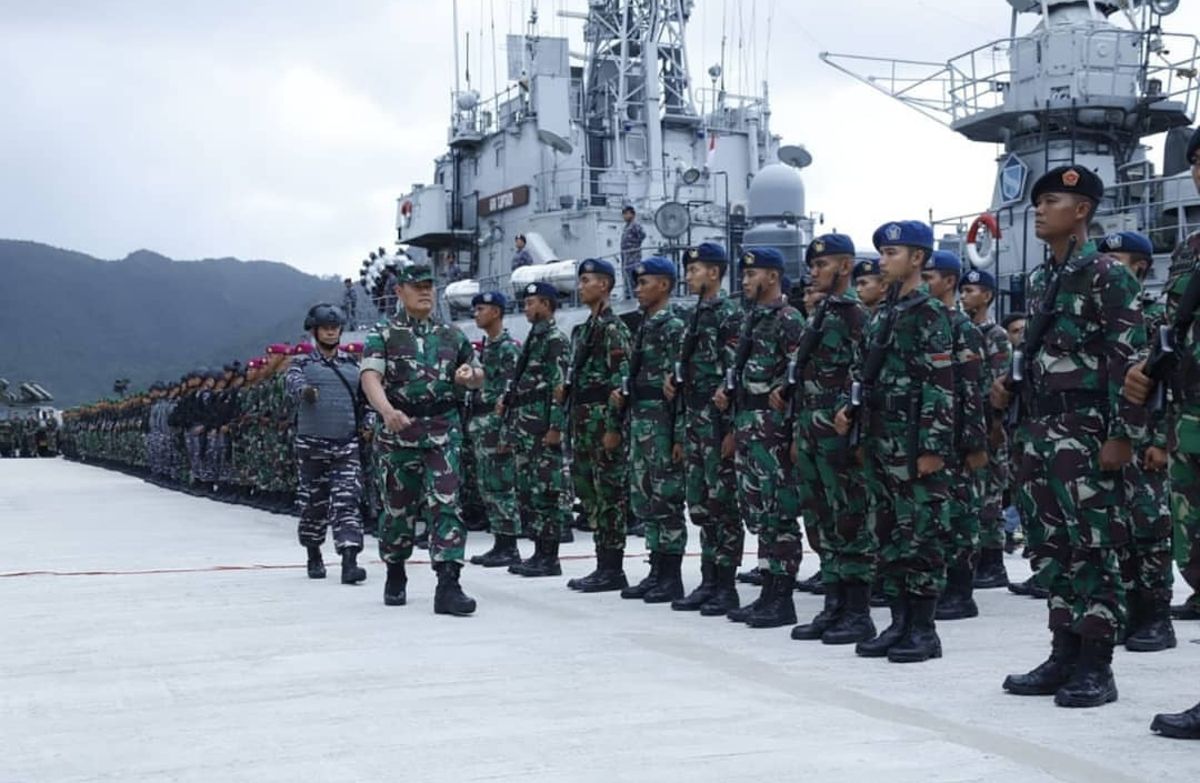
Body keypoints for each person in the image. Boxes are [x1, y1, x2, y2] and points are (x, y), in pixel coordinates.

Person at [993, 165, 1145, 708]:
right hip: (1039, 432)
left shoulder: (1108, 276)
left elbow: (1129, 362)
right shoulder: (1042, 280)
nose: (1038, 210)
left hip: (1086, 433)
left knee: (1094, 547)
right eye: (1037, 202)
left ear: (1080, 211)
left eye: (1050, 200)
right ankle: (1063, 650)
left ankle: (1096, 666)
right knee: (1052, 549)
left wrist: (1122, 436)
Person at [836, 221, 955, 664]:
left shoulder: (929, 314)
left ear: (918, 259)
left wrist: (933, 448)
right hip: (881, 441)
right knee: (888, 533)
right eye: (882, 253)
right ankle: (899, 621)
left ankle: (923, 629)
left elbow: (941, 386)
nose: (883, 261)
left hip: (913, 443)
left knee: (921, 534)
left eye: (892, 253)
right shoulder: (884, 313)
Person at [360, 264, 485, 615]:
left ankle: (448, 584)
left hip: (443, 431)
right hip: (399, 433)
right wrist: (386, 411)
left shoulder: (452, 335)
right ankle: (395, 571)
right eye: (417, 286)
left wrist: (470, 376)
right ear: (399, 291)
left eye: (429, 286)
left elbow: (477, 373)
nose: (425, 292)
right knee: (397, 511)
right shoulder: (383, 333)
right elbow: (370, 376)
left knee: (446, 503)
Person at [789, 234, 877, 644]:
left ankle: (858, 612)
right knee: (823, 518)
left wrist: (852, 423)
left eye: (822, 264)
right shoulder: (822, 312)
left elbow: (865, 374)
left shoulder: (855, 314)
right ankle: (834, 605)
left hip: (836, 426)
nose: (814, 271)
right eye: (813, 264)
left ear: (844, 267)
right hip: (811, 423)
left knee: (849, 517)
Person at [713, 246, 805, 628]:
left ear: (771, 276)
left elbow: (800, 377)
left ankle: (782, 597)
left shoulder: (789, 319)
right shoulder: (751, 320)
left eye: (752, 275)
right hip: (749, 424)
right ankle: (767, 589)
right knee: (759, 512)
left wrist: (794, 431)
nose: (746, 281)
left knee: (779, 511)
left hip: (774, 429)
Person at [1097, 231, 1176, 652]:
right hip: (1112, 435)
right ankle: (1130, 610)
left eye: (1117, 261)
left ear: (1140, 269)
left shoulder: (1157, 318)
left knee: (1149, 528)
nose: (1106, 268)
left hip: (1147, 439)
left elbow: (1168, 384)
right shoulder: (1103, 315)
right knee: (1118, 529)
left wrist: (1161, 440)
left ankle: (1158, 617)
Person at [664, 243, 744, 615]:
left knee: (723, 504)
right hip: (695, 421)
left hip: (718, 425)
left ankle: (726, 585)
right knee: (700, 503)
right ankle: (709, 578)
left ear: (714, 273)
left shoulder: (730, 315)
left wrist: (732, 432)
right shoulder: (695, 314)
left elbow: (736, 376)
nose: (688, 276)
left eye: (695, 270)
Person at [612, 257, 688, 603]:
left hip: (662, 423)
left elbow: (680, 386)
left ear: (665, 285)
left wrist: (678, 434)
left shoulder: (674, 327)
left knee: (666, 498)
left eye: (645, 283)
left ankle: (670, 576)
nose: (638, 290)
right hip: (641, 422)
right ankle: (656, 568)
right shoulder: (644, 326)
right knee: (645, 498)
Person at [923, 250, 988, 622]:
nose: (925, 282)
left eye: (931, 277)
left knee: (962, 513)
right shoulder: (924, 323)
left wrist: (975, 443)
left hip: (958, 438)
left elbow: (972, 391)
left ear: (949, 282)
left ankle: (961, 592)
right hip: (933, 433)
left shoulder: (962, 328)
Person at [561, 258, 632, 593]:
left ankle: (612, 566)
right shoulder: (584, 329)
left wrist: (613, 427)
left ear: (604, 285)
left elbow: (620, 383)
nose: (581, 286)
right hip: (583, 422)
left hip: (601, 422)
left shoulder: (613, 329)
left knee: (609, 494)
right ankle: (602, 561)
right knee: (590, 493)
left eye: (586, 280)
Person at [285, 304, 367, 585]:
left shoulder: (354, 366)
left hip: (346, 445)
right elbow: (292, 382)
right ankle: (313, 552)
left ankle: (349, 560)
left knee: (347, 502)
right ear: (314, 331)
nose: (331, 331)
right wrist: (304, 391)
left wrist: (367, 425)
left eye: (335, 327)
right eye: (325, 327)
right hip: (312, 446)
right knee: (313, 504)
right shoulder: (302, 365)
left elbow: (365, 401)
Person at [501, 282, 572, 577]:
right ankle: (539, 552)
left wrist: (556, 427)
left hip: (544, 427)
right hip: (527, 427)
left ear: (546, 304)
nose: (526, 308)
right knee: (531, 491)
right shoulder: (535, 337)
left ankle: (550, 557)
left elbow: (559, 388)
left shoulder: (555, 339)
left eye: (531, 303)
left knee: (547, 491)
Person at [959, 269, 1014, 589]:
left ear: (988, 296)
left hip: (989, 422)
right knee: (975, 491)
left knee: (991, 492)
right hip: (972, 422)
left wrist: (995, 423)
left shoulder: (995, 335)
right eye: (963, 290)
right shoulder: (965, 330)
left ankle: (993, 562)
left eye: (972, 290)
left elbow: (1000, 382)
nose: (965, 295)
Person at [467, 292, 524, 568]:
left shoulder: (507, 349)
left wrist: (507, 432)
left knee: (501, 486)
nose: (476, 313)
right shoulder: (486, 348)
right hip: (482, 424)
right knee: (487, 485)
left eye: (481, 309)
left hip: (496, 423)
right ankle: (500, 541)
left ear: (497, 312)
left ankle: (509, 545)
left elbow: (512, 394)